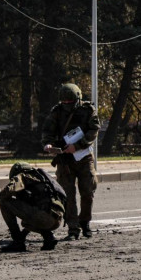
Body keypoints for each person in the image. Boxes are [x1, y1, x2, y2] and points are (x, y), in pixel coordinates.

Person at [42, 83, 99, 241]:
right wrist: (48, 144)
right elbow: (48, 130)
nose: (67, 105)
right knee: (68, 194)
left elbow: (94, 130)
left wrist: (78, 146)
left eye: (70, 102)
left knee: (88, 191)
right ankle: (73, 229)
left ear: (78, 98)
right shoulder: (57, 112)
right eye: (64, 102)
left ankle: (85, 222)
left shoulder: (88, 110)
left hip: (84, 157)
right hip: (65, 160)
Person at [0, 162, 67, 252]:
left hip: (44, 216)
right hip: (57, 220)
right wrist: (23, 235)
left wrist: (1, 195)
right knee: (26, 222)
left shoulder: (23, 176)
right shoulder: (42, 178)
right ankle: (48, 237)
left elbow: (10, 189)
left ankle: (17, 242)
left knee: (4, 202)